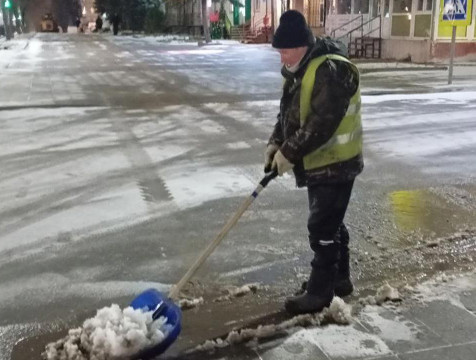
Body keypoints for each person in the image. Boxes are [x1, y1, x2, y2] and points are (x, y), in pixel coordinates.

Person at [264, 10, 363, 315]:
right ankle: (340, 279)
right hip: (320, 163)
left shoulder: (331, 71)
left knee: (321, 227)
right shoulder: (299, 69)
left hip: (337, 162)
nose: (282, 57)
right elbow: (291, 115)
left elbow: (321, 123)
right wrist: (276, 142)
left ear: (303, 45)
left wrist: (289, 154)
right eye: (279, 51)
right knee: (331, 222)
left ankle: (321, 292)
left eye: (286, 50)